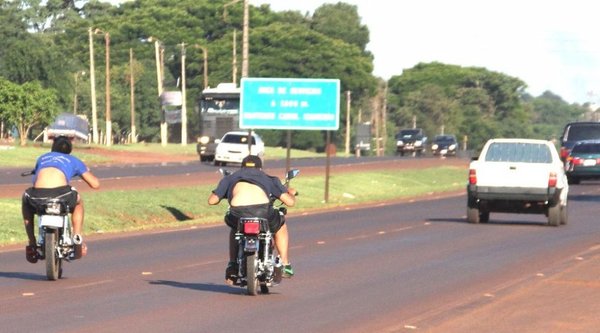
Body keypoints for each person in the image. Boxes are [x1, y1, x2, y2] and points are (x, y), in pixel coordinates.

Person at [208, 155, 297, 284]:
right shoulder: (269, 178)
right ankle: (285, 264)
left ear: (242, 167)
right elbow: (289, 203)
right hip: (263, 212)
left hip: (238, 213)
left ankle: (232, 264)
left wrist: (225, 192)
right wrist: (291, 193)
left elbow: (212, 201)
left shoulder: (230, 178)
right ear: (260, 168)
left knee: (235, 228)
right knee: (280, 223)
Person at [22, 136, 100, 263]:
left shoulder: (43, 158)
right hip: (62, 195)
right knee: (79, 202)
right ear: (70, 150)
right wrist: (79, 171)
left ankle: (31, 242)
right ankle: (77, 237)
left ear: (52, 148)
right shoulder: (73, 160)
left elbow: (36, 179)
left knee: (25, 201)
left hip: (38, 196)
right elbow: (95, 184)